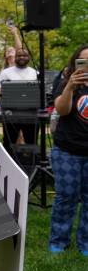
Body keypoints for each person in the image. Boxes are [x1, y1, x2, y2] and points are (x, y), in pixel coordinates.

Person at [48, 44, 88, 255]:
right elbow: (62, 110)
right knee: (66, 197)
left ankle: (86, 243)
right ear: (76, 64)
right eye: (84, 62)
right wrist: (70, 87)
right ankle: (59, 241)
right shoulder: (66, 81)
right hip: (67, 150)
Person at [0, 47, 38, 151]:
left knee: (31, 142)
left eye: (24, 55)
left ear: (29, 58)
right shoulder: (6, 72)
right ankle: (8, 163)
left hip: (31, 114)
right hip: (10, 114)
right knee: (9, 143)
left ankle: (30, 165)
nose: (22, 57)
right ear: (15, 57)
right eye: (19, 55)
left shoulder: (35, 73)